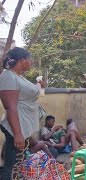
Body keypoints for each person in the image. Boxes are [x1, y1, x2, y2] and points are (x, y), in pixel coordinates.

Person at [0, 47, 44, 179]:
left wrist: (41, 86)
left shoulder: (18, 77)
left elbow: (33, 95)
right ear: (22, 60)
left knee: (18, 164)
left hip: (22, 127)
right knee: (11, 166)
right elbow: (10, 107)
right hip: (15, 128)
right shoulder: (8, 77)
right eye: (29, 59)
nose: (31, 62)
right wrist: (18, 134)